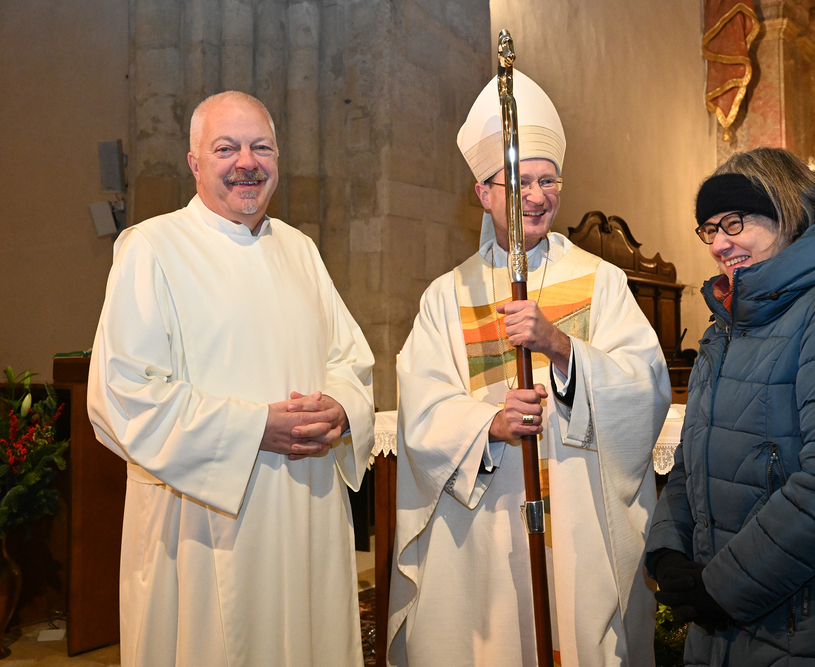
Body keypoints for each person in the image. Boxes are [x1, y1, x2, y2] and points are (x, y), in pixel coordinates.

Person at [388, 71, 671, 666]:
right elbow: (422, 407)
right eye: (519, 182)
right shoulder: (448, 295)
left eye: (548, 181)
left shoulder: (601, 281)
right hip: (482, 524)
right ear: (483, 192)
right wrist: (489, 424)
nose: (537, 197)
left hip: (577, 515)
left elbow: (645, 387)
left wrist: (559, 347)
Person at [88, 91, 376, 667]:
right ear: (195, 163)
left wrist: (342, 407)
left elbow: (349, 359)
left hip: (306, 511)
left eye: (260, 147)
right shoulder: (152, 248)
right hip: (204, 524)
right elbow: (122, 395)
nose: (247, 162)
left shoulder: (301, 250)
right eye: (226, 149)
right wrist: (254, 428)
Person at [645, 147, 815, 666]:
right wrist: (668, 552)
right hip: (730, 625)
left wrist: (721, 589)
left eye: (736, 222)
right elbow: (693, 461)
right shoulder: (727, 327)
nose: (720, 243)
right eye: (709, 229)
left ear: (788, 212)